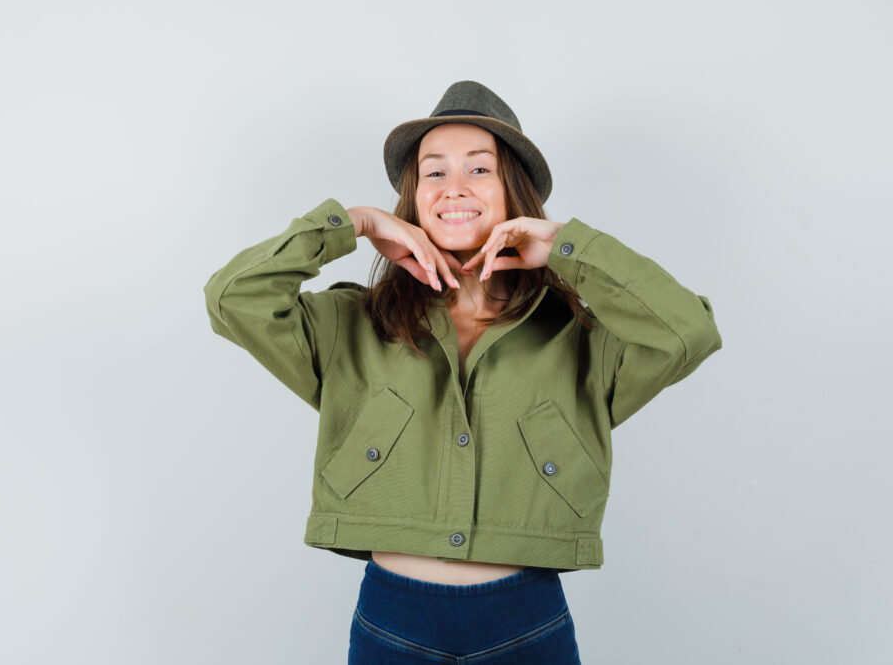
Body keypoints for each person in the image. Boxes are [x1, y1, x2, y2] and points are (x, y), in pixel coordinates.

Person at [204, 81, 722, 663]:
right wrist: (353, 224)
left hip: (527, 622)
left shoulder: (582, 337)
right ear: (412, 197)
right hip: (392, 622)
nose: (454, 188)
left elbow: (689, 332)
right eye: (434, 172)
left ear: (514, 191)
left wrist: (568, 246)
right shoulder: (351, 324)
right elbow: (230, 298)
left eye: (479, 169)